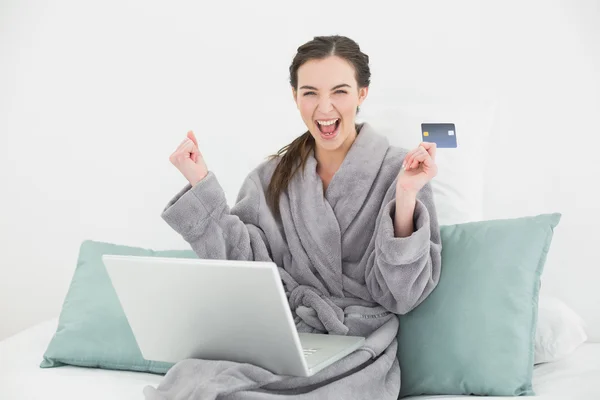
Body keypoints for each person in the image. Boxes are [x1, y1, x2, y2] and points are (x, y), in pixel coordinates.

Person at [146, 35, 442, 400]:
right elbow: (243, 269)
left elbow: (402, 296)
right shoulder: (269, 178)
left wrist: (407, 194)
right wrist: (200, 183)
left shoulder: (402, 171)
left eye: (340, 91)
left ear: (362, 94)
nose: (325, 107)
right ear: (294, 96)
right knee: (196, 380)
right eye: (310, 93)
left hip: (356, 344)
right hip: (280, 337)